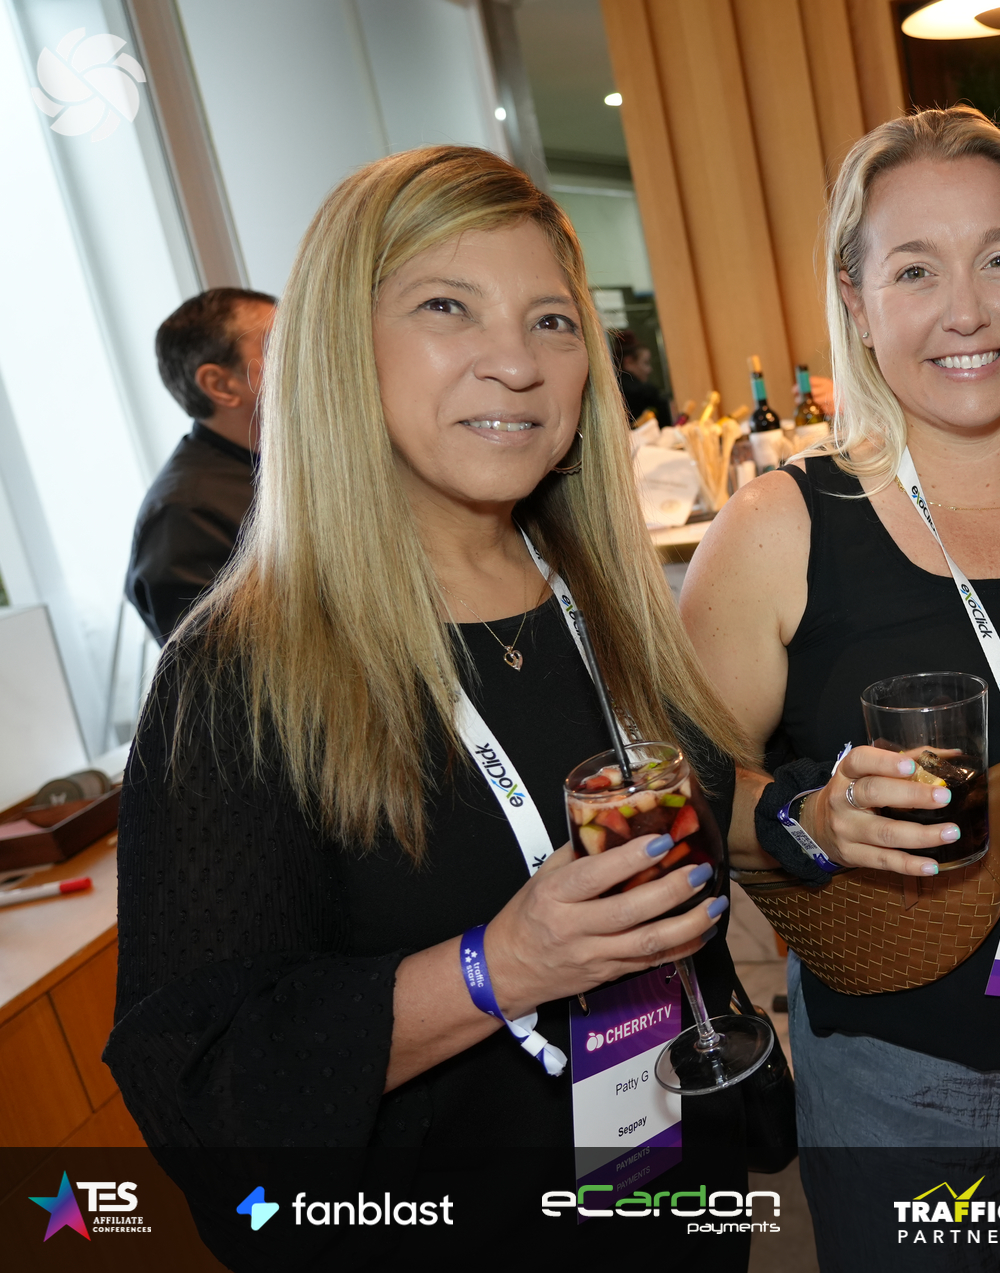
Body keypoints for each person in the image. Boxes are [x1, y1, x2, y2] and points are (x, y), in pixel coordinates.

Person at [104, 146, 762, 1270]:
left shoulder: (597, 595)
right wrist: (499, 964)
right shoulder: (237, 676)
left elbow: (687, 803)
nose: (516, 362)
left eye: (552, 321)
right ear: (338, 348)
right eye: (448, 307)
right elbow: (203, 1082)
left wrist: (802, 815)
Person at [680, 107, 1000, 1270]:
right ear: (856, 298)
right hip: (909, 1084)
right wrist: (808, 817)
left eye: (999, 258)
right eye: (914, 269)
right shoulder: (780, 529)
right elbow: (681, 796)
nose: (964, 309)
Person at [124, 287, 275, 641]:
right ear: (221, 385)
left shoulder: (290, 464)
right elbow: (225, 668)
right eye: (277, 346)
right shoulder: (185, 516)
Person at [611, 327, 671, 424]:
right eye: (646, 363)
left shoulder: (613, 390)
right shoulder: (645, 394)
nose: (649, 370)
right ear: (629, 362)